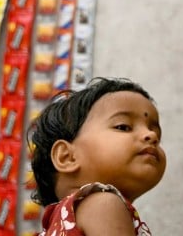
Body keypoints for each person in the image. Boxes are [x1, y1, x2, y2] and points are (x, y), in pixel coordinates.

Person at [28, 77, 166, 236]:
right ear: (67, 157)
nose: (151, 135)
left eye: (156, 132)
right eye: (123, 127)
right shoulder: (104, 204)